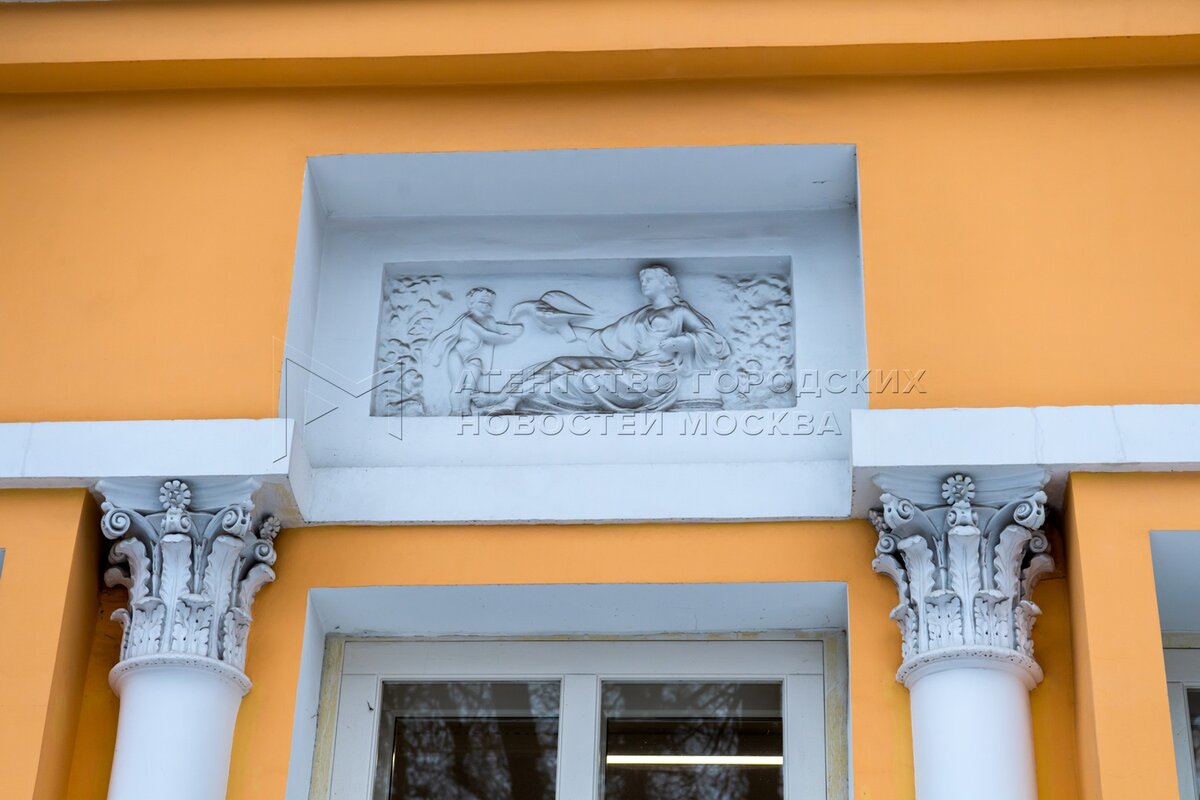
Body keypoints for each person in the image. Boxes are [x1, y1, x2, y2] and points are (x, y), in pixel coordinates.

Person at [475, 265, 730, 414]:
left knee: (579, 379)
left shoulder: (679, 312)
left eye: (649, 279)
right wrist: (565, 327)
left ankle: (514, 401)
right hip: (631, 367)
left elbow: (715, 340)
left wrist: (685, 342)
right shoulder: (639, 315)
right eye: (642, 280)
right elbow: (601, 339)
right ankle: (505, 396)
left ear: (666, 283)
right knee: (561, 363)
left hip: (653, 379)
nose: (644, 283)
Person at [428, 287, 524, 413]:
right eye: (482, 302)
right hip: (458, 355)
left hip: (475, 357)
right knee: (457, 385)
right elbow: (486, 334)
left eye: (490, 304)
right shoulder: (468, 320)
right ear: (471, 303)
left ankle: (466, 409)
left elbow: (496, 328)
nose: (487, 305)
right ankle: (455, 410)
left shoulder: (489, 320)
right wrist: (508, 338)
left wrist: (514, 328)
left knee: (469, 386)